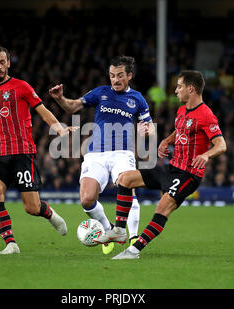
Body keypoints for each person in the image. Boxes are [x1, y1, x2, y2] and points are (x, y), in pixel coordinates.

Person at [98, 70, 227, 259]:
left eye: (179, 86)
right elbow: (180, 130)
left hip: (188, 175)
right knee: (125, 179)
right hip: (171, 168)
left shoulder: (206, 115)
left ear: (191, 89)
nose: (175, 91)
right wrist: (167, 141)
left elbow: (221, 144)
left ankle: (134, 251)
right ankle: (119, 230)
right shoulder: (182, 109)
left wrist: (207, 155)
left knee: (162, 208)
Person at [49, 56, 155, 254]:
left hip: (123, 153)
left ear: (129, 76)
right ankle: (109, 231)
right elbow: (72, 106)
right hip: (96, 154)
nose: (115, 80)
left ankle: (133, 239)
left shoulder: (138, 99)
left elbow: (149, 126)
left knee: (128, 189)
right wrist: (60, 99)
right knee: (87, 199)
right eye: (112, 75)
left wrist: (148, 131)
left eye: (120, 76)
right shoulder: (101, 92)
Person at [0, 45, 73, 255]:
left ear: (9, 63)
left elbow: (42, 110)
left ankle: (50, 214)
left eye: (2, 61)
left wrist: (58, 128)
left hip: (22, 153)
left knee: (31, 208)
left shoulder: (21, 86)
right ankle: (11, 243)